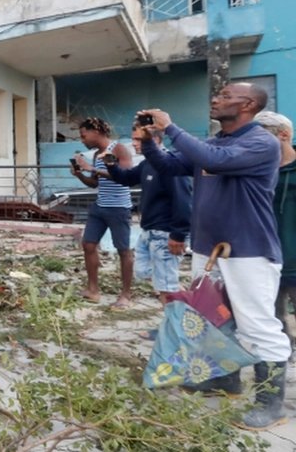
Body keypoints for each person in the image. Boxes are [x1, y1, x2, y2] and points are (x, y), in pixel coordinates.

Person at [138, 82, 290, 430]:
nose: (216, 99)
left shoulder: (260, 142)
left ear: (248, 104)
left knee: (258, 326)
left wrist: (170, 127)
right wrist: (148, 140)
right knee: (216, 319)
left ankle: (271, 403)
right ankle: (226, 380)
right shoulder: (214, 142)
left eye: (225, 96)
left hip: (248, 250)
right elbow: (169, 166)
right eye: (216, 94)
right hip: (209, 249)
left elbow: (214, 161)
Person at [105, 125, 192, 316]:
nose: (133, 144)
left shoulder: (170, 164)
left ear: (157, 140)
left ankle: (175, 331)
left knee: (166, 289)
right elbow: (127, 178)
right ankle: (182, 306)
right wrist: (111, 164)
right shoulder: (147, 164)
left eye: (138, 139)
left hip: (165, 233)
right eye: (133, 139)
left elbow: (184, 201)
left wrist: (178, 234)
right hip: (148, 232)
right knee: (147, 275)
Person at [69, 117, 135, 308]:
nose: (82, 140)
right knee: (88, 245)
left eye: (84, 135)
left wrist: (93, 169)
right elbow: (95, 184)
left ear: (96, 132)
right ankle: (93, 290)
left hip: (119, 207)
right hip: (100, 206)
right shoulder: (97, 154)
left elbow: (127, 177)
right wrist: (81, 173)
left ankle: (125, 295)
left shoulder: (119, 149)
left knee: (123, 250)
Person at [254, 111, 296, 359]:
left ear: (284, 135)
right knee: (272, 315)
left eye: (264, 137)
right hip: (268, 257)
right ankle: (283, 354)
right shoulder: (258, 171)